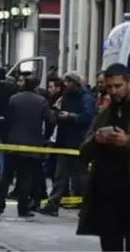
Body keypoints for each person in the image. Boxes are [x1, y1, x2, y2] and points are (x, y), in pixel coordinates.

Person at [77, 63, 130, 252]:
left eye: (118, 86)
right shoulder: (104, 114)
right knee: (110, 245)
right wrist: (97, 140)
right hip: (106, 194)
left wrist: (128, 141)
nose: (113, 91)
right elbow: (83, 153)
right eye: (109, 87)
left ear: (128, 82)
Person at [0, 74, 56, 217]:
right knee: (26, 177)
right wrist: (45, 137)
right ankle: (22, 208)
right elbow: (51, 121)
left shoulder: (14, 99)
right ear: (36, 86)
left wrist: (6, 137)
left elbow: (7, 120)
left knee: (6, 176)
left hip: (13, 143)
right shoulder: (42, 101)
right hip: (32, 144)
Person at [39, 70, 95, 216]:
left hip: (78, 142)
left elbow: (88, 118)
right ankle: (53, 205)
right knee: (60, 175)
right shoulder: (65, 96)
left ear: (76, 83)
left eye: (69, 81)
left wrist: (71, 116)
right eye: (66, 81)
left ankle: (87, 206)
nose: (66, 84)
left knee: (80, 177)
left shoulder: (86, 98)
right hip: (64, 141)